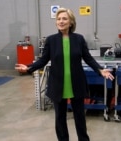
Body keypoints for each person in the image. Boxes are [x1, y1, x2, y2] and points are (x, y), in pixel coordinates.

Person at [15, 7, 114, 141]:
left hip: (76, 84)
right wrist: (28, 68)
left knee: (80, 117)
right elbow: (43, 59)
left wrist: (100, 69)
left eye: (64, 19)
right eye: (58, 19)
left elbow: (88, 58)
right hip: (58, 85)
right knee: (60, 119)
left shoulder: (79, 39)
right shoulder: (51, 40)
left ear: (71, 22)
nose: (61, 21)